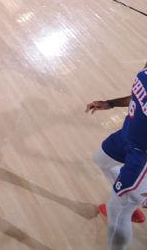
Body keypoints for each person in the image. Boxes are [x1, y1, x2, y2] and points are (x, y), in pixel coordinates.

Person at [86, 63, 147, 250]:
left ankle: (129, 199)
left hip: (142, 157)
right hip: (126, 136)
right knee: (101, 160)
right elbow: (137, 96)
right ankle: (135, 197)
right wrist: (110, 103)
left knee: (116, 209)